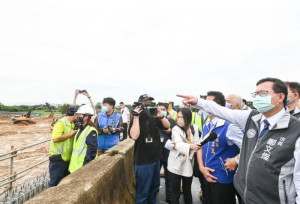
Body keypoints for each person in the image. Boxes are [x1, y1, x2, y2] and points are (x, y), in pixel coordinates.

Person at [178, 77, 300, 204]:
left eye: (263, 93)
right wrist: (198, 102)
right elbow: (223, 112)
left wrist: (235, 160)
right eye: (256, 94)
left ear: (281, 97)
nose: (258, 98)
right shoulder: (252, 118)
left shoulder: (296, 131)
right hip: (245, 195)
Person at [197, 91, 243, 204]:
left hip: (223, 179)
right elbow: (200, 146)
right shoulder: (208, 125)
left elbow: (249, 148)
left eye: (208, 103)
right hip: (207, 175)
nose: (204, 105)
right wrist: (201, 167)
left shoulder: (230, 126)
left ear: (218, 107)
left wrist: (236, 160)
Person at [129, 94, 170, 204]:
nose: (148, 105)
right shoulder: (136, 118)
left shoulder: (154, 116)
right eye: (146, 103)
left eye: (150, 103)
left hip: (156, 158)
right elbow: (134, 136)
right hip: (143, 161)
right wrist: (136, 116)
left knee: (154, 189)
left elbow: (167, 126)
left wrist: (161, 116)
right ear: (140, 104)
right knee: (142, 192)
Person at [168, 108, 200, 204]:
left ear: (188, 117)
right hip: (175, 164)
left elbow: (197, 143)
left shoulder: (194, 128)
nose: (180, 119)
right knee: (175, 192)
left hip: (189, 164)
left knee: (187, 190)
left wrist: (193, 147)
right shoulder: (175, 129)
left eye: (182, 117)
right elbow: (178, 144)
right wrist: (190, 146)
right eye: (179, 117)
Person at [49, 106, 78, 187]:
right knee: (54, 184)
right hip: (58, 159)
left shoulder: (71, 124)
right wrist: (70, 135)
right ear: (75, 114)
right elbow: (56, 138)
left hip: (66, 158)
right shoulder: (61, 123)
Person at [69, 105, 98, 173]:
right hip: (74, 167)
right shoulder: (80, 129)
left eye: (79, 115)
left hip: (82, 168)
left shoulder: (91, 131)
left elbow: (91, 152)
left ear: (86, 117)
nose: (77, 117)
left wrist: (84, 168)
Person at [157, 102, 176, 204]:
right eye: (159, 109)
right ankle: (154, 196)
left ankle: (169, 198)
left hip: (169, 154)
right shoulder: (154, 121)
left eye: (163, 108)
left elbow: (174, 133)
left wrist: (169, 130)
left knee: (169, 178)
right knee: (155, 178)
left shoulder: (171, 121)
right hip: (157, 154)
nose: (161, 110)